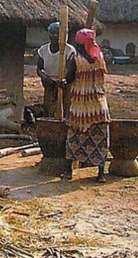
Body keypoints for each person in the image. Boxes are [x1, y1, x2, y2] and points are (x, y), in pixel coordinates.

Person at [64, 28, 110, 183]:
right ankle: (101, 173)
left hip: (80, 105)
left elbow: (69, 79)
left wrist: (62, 81)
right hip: (98, 104)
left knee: (74, 138)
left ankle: (69, 171)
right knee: (100, 139)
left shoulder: (75, 59)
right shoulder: (100, 57)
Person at [36, 22, 76, 118]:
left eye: (58, 33)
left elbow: (72, 71)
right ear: (49, 35)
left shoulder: (69, 50)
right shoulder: (43, 50)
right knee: (48, 107)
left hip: (64, 82)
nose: (55, 36)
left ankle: (66, 126)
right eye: (52, 33)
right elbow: (39, 69)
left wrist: (65, 81)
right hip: (49, 82)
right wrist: (44, 77)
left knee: (67, 107)